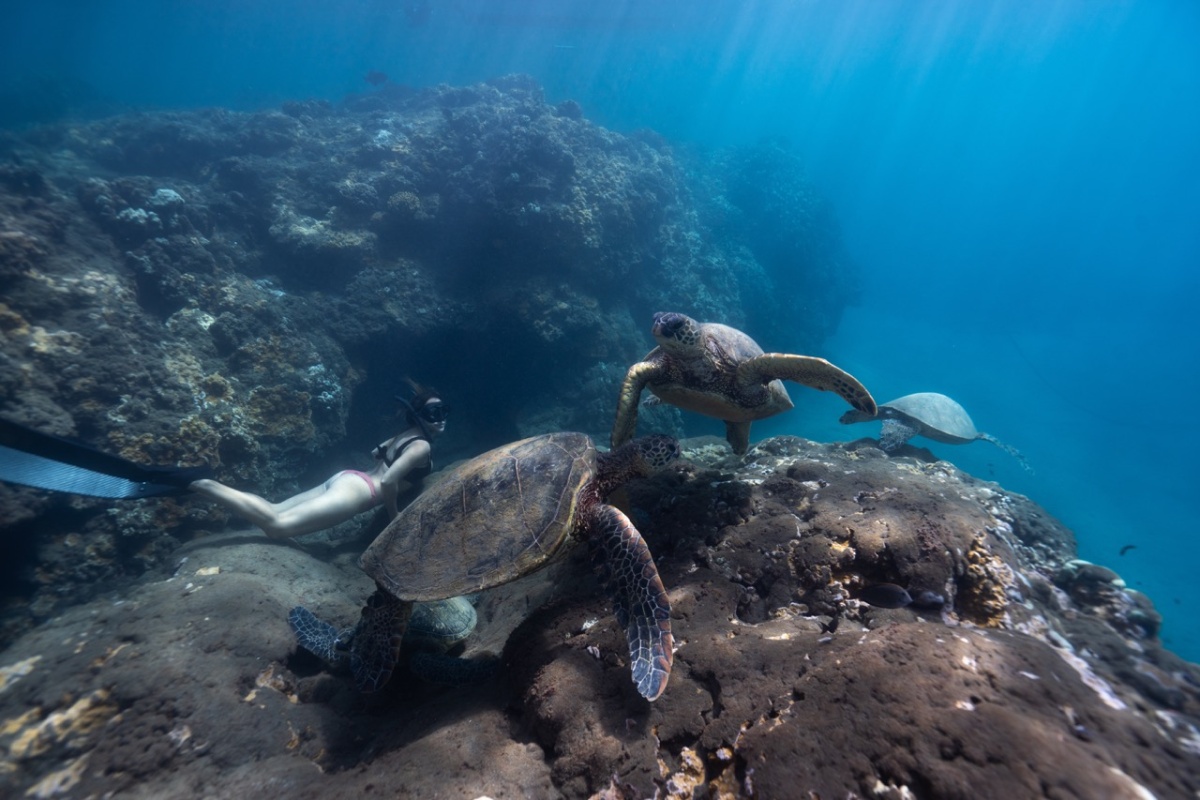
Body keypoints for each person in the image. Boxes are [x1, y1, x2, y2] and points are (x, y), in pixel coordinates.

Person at [189, 382, 449, 539]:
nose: (440, 418)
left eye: (443, 411)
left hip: (350, 478)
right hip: (360, 494)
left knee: (275, 508)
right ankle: (202, 485)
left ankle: (198, 484)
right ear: (420, 415)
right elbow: (390, 481)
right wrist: (395, 517)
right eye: (433, 412)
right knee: (276, 527)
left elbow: (374, 453)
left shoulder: (403, 435)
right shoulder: (422, 446)